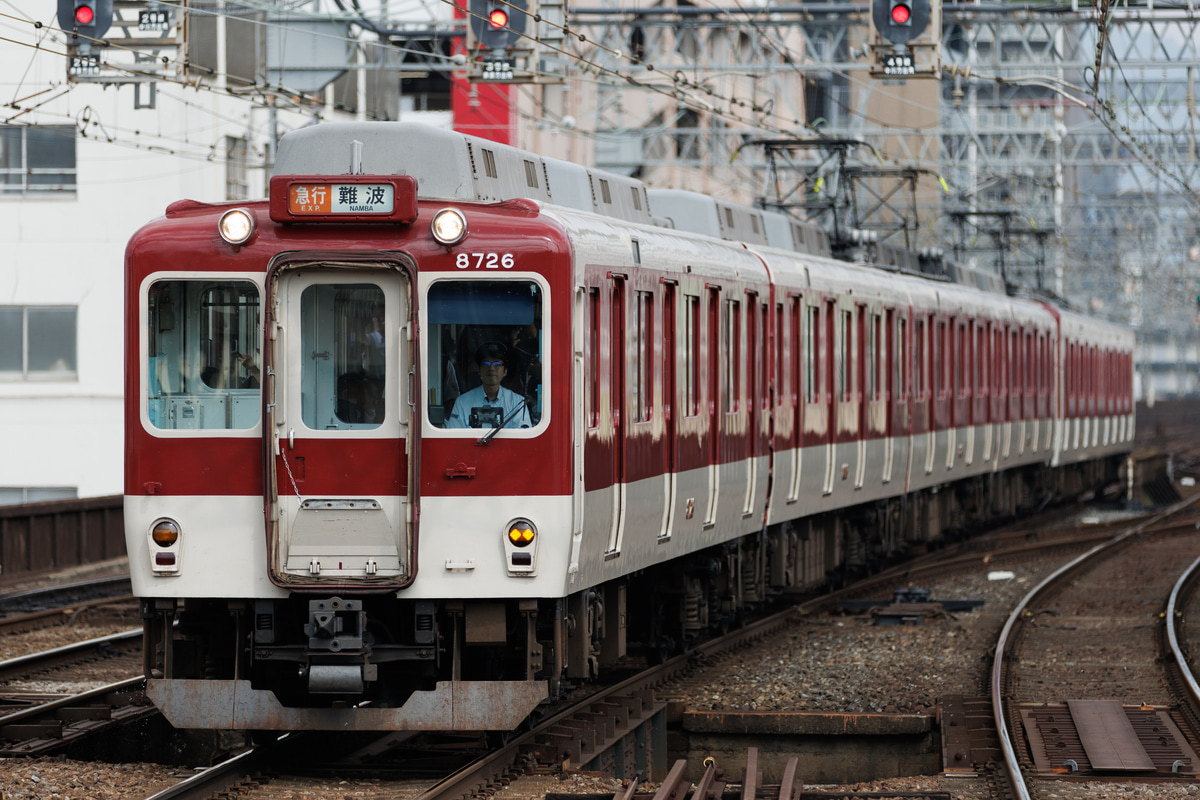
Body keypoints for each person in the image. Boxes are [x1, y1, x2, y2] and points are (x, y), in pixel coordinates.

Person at [445, 341, 531, 429]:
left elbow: (521, 439)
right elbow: (455, 439)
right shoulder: (462, 402)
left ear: (505, 371)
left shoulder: (517, 403)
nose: (491, 368)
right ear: (479, 370)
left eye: (497, 364)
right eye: (486, 364)